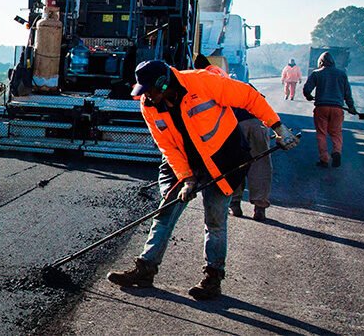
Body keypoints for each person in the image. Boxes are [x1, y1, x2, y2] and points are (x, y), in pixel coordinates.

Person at [107, 60, 298, 300]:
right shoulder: (149, 106)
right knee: (166, 211)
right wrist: (187, 179)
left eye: (150, 90)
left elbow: (249, 97)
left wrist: (279, 128)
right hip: (184, 160)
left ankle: (212, 278)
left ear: (163, 83)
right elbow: (166, 146)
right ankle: (145, 269)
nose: (146, 97)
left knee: (215, 218)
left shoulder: (202, 82)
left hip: (222, 157)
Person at [194, 55, 273, 222]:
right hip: (257, 122)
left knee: (235, 164)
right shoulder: (235, 80)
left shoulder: (205, 82)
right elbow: (260, 101)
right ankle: (260, 207)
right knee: (260, 164)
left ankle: (235, 204)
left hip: (236, 125)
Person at [303, 51, 356, 168]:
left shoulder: (316, 74)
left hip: (321, 108)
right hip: (337, 108)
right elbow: (347, 93)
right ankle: (336, 151)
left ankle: (324, 159)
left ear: (321, 62)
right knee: (336, 133)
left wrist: (308, 96)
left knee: (321, 133)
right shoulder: (341, 74)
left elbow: (307, 89)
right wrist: (351, 106)